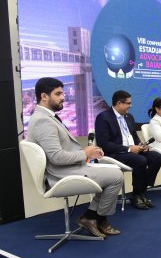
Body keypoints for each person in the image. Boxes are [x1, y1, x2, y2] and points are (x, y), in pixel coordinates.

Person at [27, 77, 123, 237]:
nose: (63, 97)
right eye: (58, 94)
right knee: (116, 176)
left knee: (112, 172)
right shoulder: (43, 121)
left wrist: (87, 153)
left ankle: (91, 218)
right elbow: (57, 157)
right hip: (60, 174)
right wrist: (86, 153)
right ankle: (96, 218)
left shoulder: (46, 117)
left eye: (63, 93)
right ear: (44, 96)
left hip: (67, 169)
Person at [95, 90, 161, 210]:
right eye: (128, 103)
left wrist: (141, 145)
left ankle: (142, 190)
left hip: (133, 151)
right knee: (140, 160)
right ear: (119, 103)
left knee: (157, 157)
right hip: (115, 153)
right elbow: (103, 144)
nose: (130, 106)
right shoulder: (103, 117)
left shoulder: (129, 117)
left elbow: (134, 137)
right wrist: (128, 149)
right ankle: (136, 194)